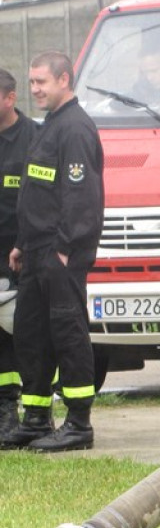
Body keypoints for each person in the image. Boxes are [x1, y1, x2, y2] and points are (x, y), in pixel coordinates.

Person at [0, 52, 104, 452]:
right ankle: (37, 417)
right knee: (32, 336)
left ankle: (79, 422)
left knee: (68, 335)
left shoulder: (75, 128)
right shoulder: (49, 127)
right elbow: (37, 193)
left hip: (61, 255)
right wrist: (22, 245)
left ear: (64, 80)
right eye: (31, 82)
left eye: (42, 81)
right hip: (35, 252)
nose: (35, 89)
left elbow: (83, 199)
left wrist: (65, 249)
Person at [0, 69, 38, 438]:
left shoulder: (33, 138)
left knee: (22, 333)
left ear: (9, 99)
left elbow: (40, 200)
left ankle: (36, 407)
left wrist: (24, 246)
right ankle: (4, 407)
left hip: (19, 254)